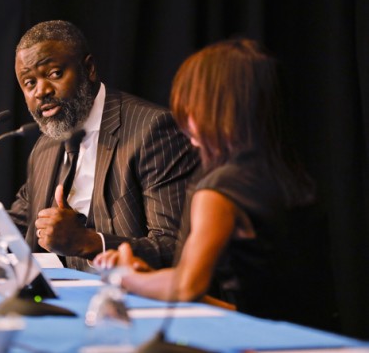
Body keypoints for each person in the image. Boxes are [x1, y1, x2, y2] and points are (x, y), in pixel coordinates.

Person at [93, 38, 315, 319]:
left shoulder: (220, 189)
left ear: (220, 109)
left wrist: (125, 277)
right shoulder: (290, 176)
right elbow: (253, 310)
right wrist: (148, 280)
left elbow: (187, 287)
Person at [9, 20, 200, 271]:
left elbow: (174, 246)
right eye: (29, 83)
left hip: (127, 290)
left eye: (54, 74)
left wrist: (87, 242)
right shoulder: (46, 145)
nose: (41, 91)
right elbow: (21, 221)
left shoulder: (152, 130)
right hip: (60, 289)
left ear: (88, 69)